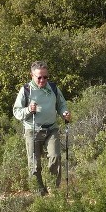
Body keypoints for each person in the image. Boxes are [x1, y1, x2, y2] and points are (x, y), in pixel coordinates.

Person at [12, 61, 71, 196]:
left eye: (45, 77)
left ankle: (53, 189)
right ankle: (38, 192)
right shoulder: (26, 90)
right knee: (34, 162)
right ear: (32, 75)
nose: (42, 80)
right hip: (32, 129)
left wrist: (64, 113)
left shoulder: (53, 88)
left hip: (51, 128)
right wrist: (28, 110)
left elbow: (61, 104)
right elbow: (16, 112)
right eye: (39, 77)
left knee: (55, 156)